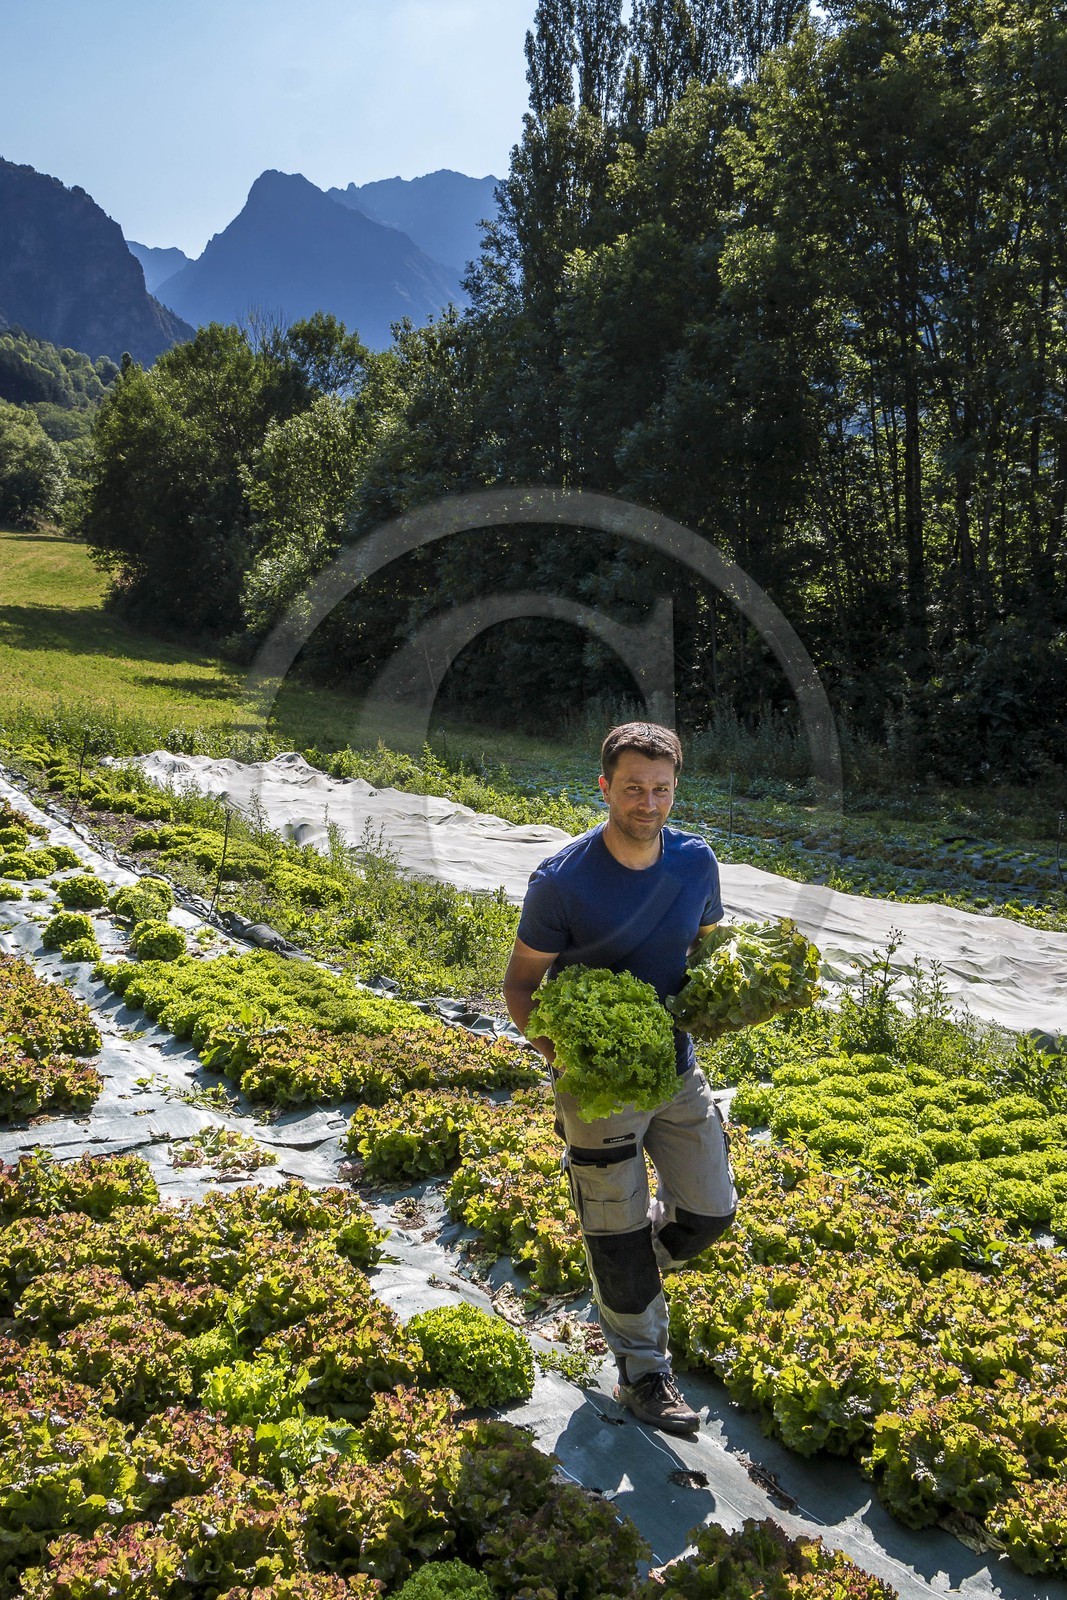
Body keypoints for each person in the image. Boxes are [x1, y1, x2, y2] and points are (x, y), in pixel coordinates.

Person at [503, 721, 737, 1436]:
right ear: (604, 786)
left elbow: (706, 954)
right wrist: (565, 1058)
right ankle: (644, 1373)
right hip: (597, 1090)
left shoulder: (695, 863)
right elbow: (519, 987)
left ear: (675, 791)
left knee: (710, 1213)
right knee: (616, 1229)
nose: (648, 801)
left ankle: (621, 1271)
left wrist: (733, 996)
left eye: (661, 789)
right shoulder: (562, 882)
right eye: (632, 787)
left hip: (676, 1072)